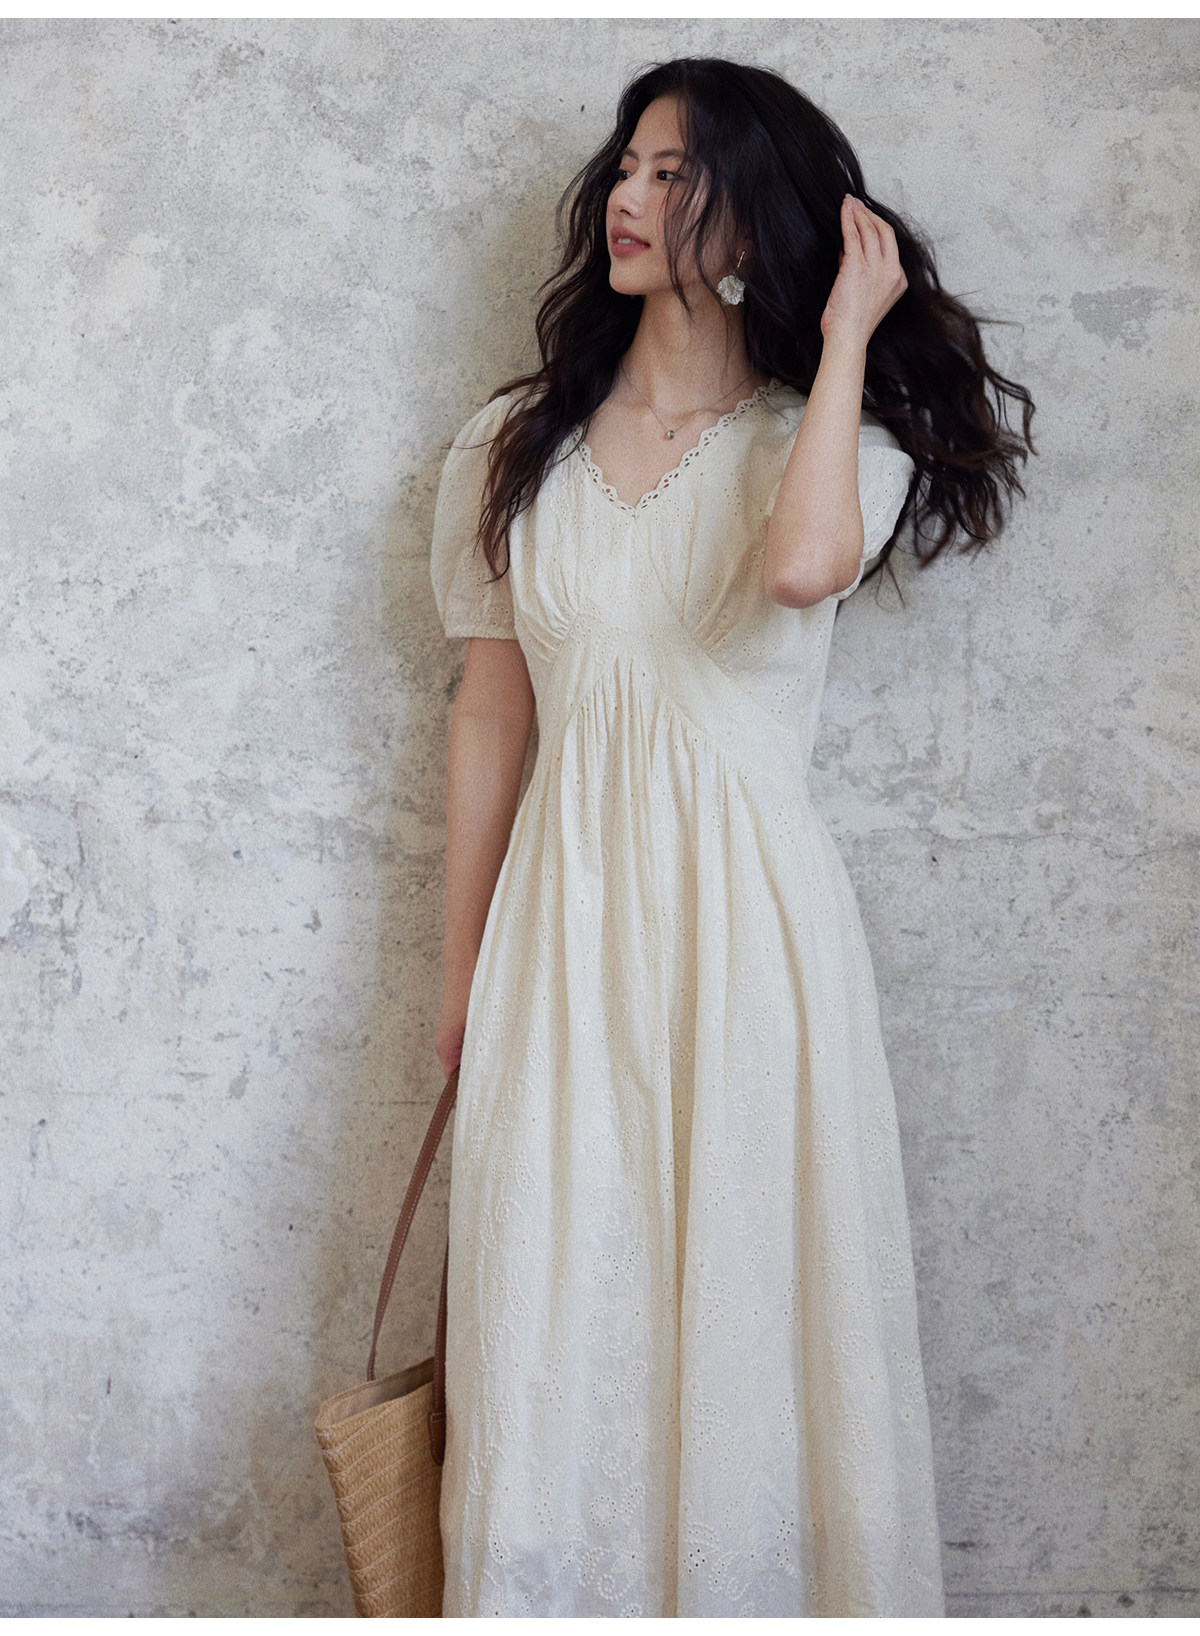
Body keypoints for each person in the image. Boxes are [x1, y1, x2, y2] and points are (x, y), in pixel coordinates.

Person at [428, 56, 1033, 1618]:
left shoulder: (821, 442)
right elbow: (491, 715)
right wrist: (458, 978)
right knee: (548, 1294)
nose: (628, 199)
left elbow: (801, 569)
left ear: (752, 217)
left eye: (673, 173)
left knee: (751, 1298)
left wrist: (847, 341)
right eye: (625, 168)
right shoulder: (515, 445)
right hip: (560, 927)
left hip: (751, 934)